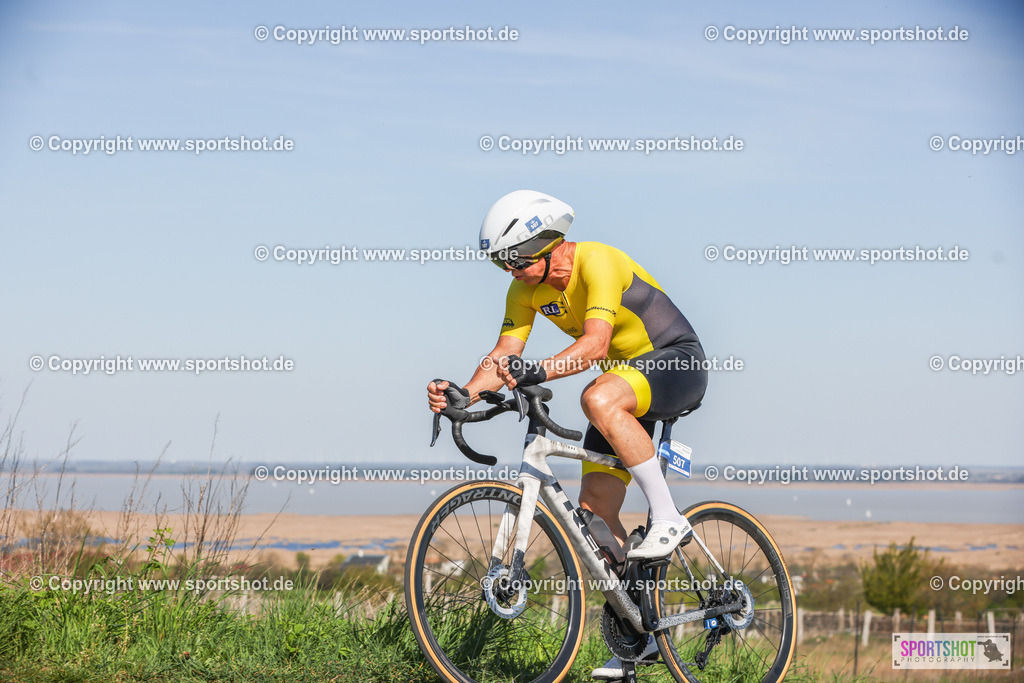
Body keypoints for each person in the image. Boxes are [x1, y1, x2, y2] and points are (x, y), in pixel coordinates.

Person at [426, 190, 708, 680]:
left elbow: (595, 343)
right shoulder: (524, 289)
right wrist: (465, 393)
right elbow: (502, 354)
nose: (508, 271)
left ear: (545, 243)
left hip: (676, 360)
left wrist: (537, 370)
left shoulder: (597, 261)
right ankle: (635, 643)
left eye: (512, 259)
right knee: (595, 522)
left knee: (596, 397)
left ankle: (669, 518)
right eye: (499, 264)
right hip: (626, 385)